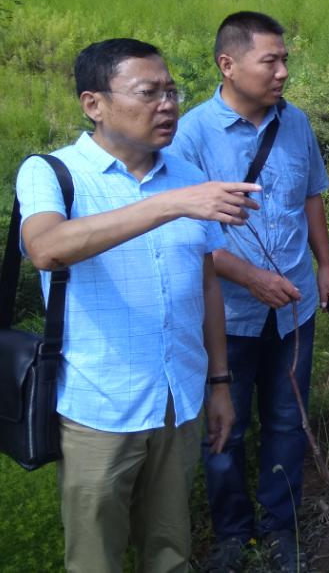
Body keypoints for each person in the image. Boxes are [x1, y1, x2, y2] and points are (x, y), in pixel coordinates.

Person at [16, 38, 260, 573]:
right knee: (95, 557)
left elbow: (206, 285)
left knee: (170, 549)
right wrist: (168, 204)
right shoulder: (52, 173)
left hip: (179, 396)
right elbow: (46, 248)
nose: (167, 105)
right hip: (99, 406)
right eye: (148, 93)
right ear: (94, 104)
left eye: (171, 92)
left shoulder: (188, 178)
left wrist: (220, 383)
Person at [169, 12, 329, 572]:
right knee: (226, 426)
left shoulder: (296, 122)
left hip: (294, 307)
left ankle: (280, 526)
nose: (283, 72)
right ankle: (231, 534)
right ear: (229, 64)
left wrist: (325, 267)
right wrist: (250, 277)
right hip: (228, 317)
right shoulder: (190, 136)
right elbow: (185, 236)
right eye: (271, 61)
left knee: (288, 420)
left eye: (285, 59)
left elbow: (311, 196)